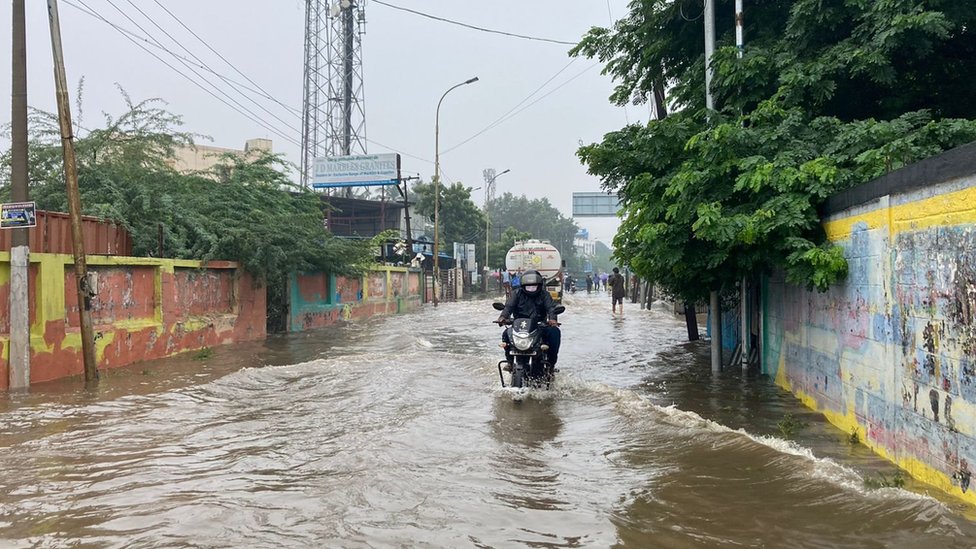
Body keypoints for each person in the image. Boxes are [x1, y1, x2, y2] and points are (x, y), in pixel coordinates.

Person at [496, 269, 561, 369]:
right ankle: (510, 362)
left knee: (555, 332)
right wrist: (502, 317)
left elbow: (551, 308)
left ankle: (551, 365)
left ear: (539, 285)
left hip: (540, 326)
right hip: (520, 326)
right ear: (523, 286)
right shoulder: (516, 294)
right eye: (528, 286)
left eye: (534, 286)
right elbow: (508, 307)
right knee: (506, 333)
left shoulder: (545, 295)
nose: (531, 288)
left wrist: (552, 320)